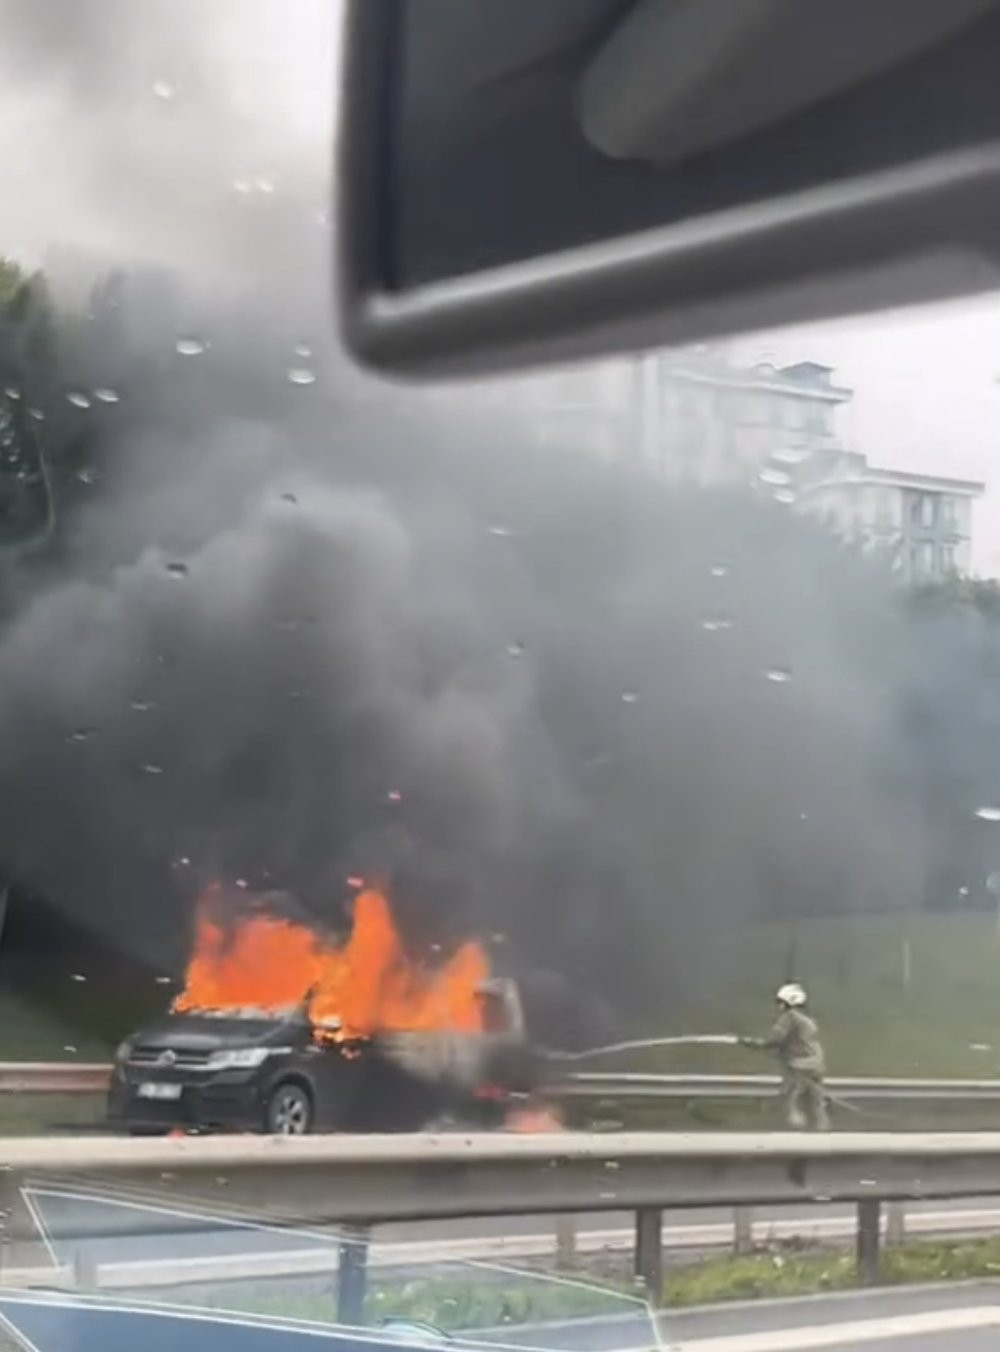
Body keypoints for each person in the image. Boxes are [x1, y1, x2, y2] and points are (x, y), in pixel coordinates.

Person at [741, 982, 829, 1130]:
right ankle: (822, 1135)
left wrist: (752, 1044)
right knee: (815, 1103)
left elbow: (776, 1040)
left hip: (798, 1066)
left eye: (780, 1002)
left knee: (789, 1099)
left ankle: (793, 1128)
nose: (779, 1005)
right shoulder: (808, 1020)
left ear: (787, 1002)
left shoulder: (789, 1018)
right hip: (816, 1065)